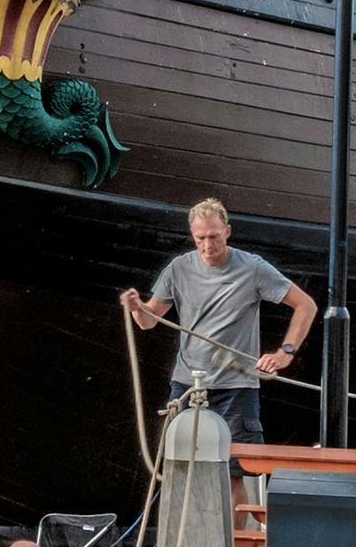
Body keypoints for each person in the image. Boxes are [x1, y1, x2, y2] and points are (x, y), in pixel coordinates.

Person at [119, 199, 319, 517]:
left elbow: (305, 304)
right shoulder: (179, 269)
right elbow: (149, 321)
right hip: (186, 385)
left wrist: (286, 352)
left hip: (236, 386)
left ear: (227, 231)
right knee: (179, 469)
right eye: (200, 238)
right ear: (192, 235)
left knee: (232, 475)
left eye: (213, 236)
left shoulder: (252, 268)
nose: (207, 245)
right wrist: (135, 307)